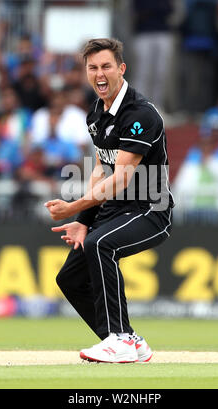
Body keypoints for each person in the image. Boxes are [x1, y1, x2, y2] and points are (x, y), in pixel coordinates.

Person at [44, 38, 174, 363]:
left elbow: (122, 177)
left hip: (150, 208)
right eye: (93, 68)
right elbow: (101, 169)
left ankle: (119, 339)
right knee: (70, 279)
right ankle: (126, 338)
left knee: (101, 245)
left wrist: (73, 207)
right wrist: (83, 221)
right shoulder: (95, 114)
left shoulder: (141, 113)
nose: (99, 74)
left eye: (106, 66)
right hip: (115, 209)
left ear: (121, 69)